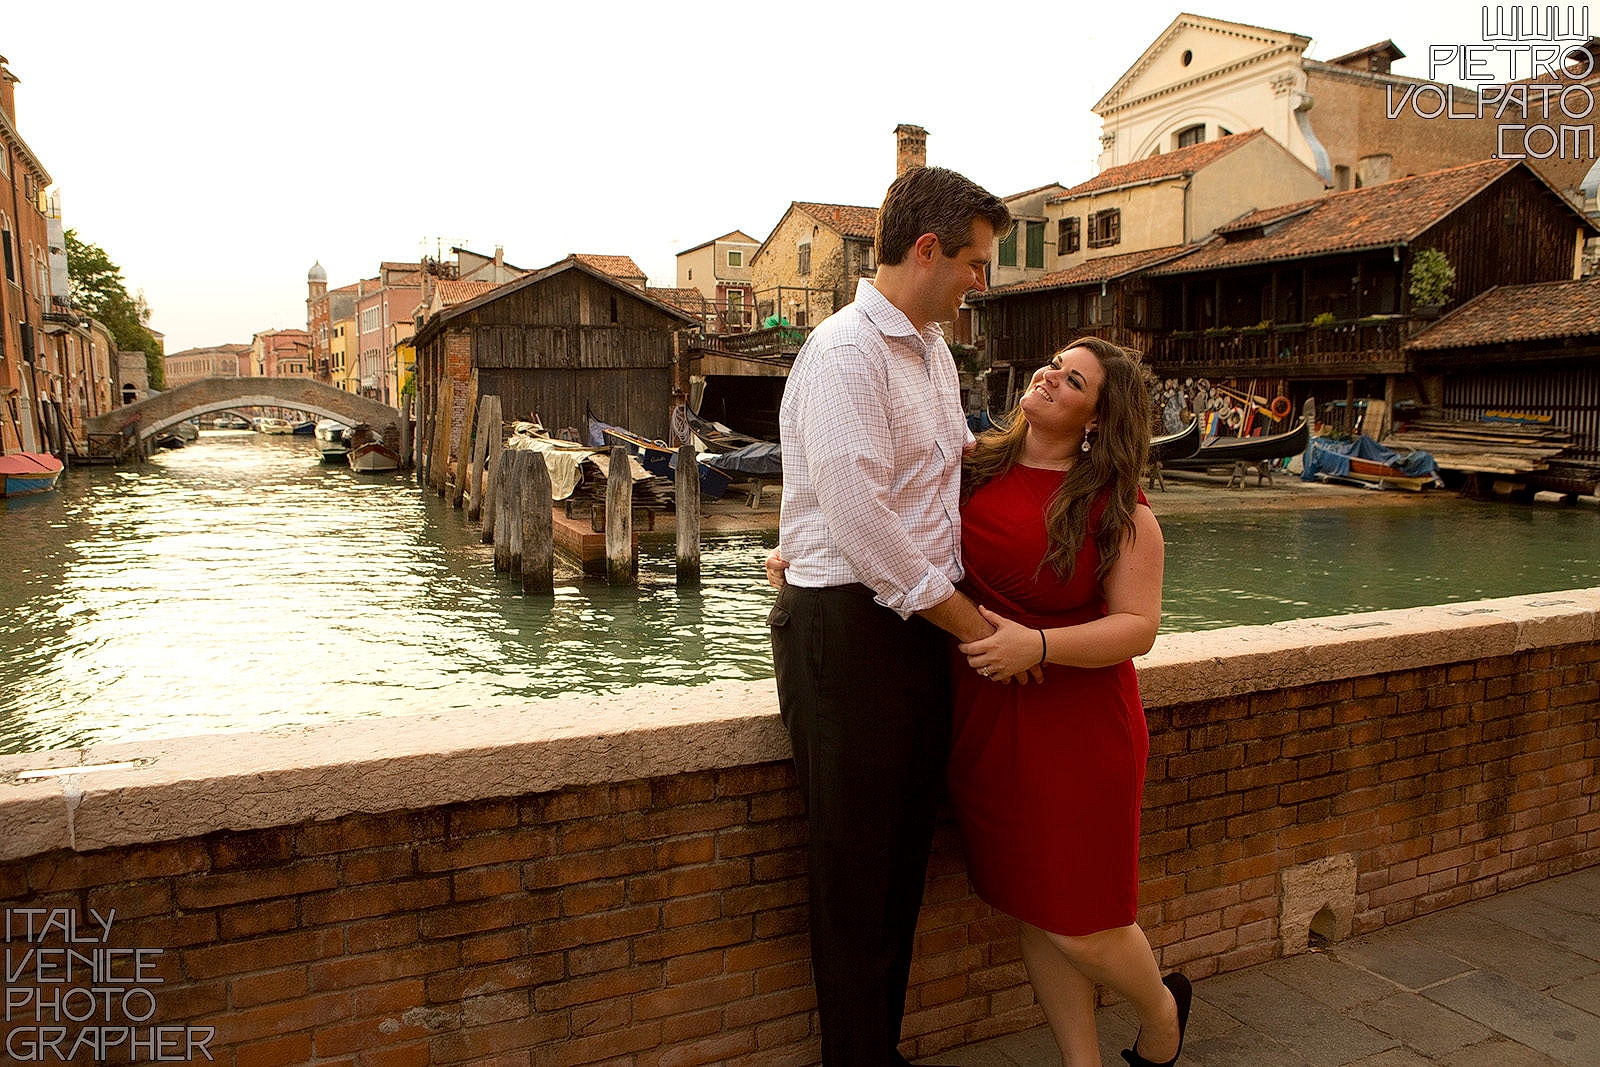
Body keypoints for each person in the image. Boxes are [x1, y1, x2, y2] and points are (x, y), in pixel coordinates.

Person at [767, 164, 1013, 1065]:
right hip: (850, 630)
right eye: (975, 263)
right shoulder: (844, 354)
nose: (980, 281)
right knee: (855, 868)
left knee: (902, 855)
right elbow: (864, 523)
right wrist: (975, 629)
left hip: (907, 627)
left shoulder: (932, 350)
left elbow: (949, 470)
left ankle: (878, 1051)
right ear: (925, 250)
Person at [950, 336, 1189, 1067]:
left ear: (1095, 417)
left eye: (1073, 378)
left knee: (1082, 921)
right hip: (987, 720)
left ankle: (1162, 1016)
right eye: (1053, 363)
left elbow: (1138, 627)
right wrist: (800, 549)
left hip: (1080, 731)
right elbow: (889, 523)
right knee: (1035, 906)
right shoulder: (971, 465)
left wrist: (1042, 646)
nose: (1051, 375)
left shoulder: (1117, 508)